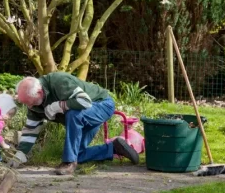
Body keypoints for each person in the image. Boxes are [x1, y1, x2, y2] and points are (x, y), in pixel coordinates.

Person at [8, 72, 139, 175]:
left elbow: (85, 102)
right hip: (83, 117)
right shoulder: (33, 104)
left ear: (39, 92)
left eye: (29, 102)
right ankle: (113, 148)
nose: (28, 106)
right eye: (25, 103)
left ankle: (69, 163)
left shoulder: (58, 81)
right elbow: (31, 129)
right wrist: (20, 155)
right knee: (78, 154)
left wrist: (57, 106)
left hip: (102, 105)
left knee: (73, 113)